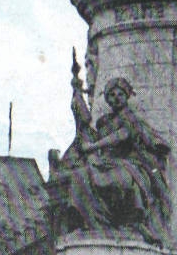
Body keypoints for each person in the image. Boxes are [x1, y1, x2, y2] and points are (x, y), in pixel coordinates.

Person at [66, 77, 171, 245]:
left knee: (122, 178)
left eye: (120, 94)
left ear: (127, 96)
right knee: (80, 176)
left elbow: (122, 135)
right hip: (107, 162)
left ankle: (133, 222)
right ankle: (92, 222)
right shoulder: (103, 122)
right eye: (112, 95)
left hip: (130, 161)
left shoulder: (130, 118)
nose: (116, 98)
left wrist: (93, 146)